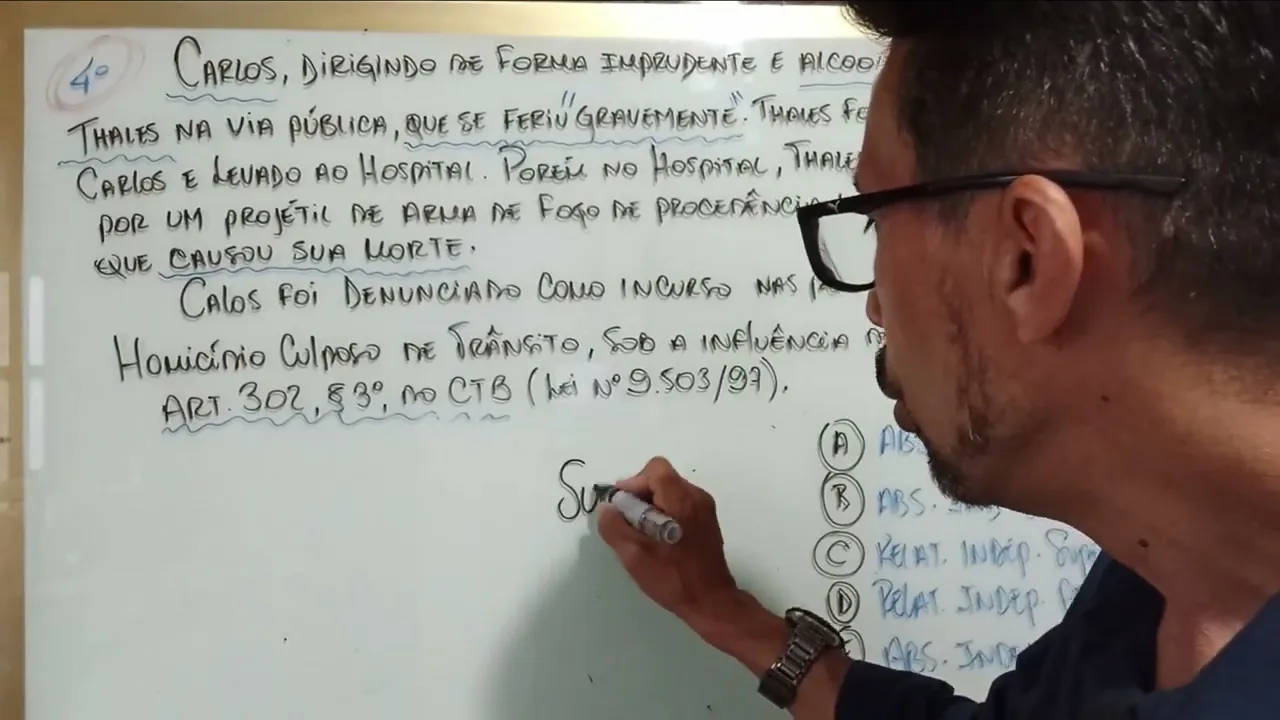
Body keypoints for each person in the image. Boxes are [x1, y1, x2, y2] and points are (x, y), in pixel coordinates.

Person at [596, 2, 1280, 718]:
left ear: (1028, 259)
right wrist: (723, 611)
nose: (874, 307)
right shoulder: (1159, 589)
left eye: (875, 222)